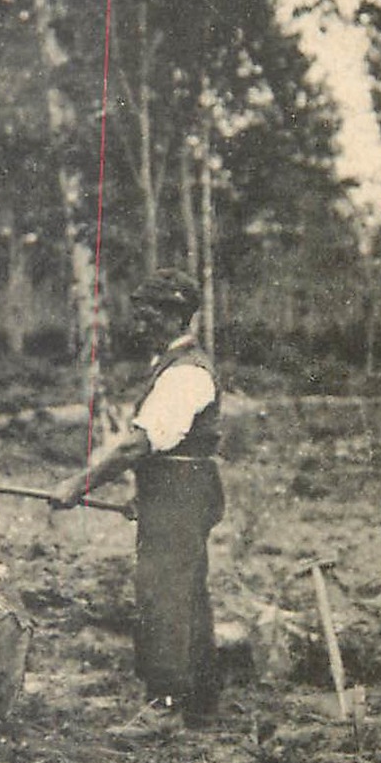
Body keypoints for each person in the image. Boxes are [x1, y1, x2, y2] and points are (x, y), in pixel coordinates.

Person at [48, 268, 224, 738]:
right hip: (177, 489)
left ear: (172, 316)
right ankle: (201, 703)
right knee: (187, 592)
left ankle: (166, 705)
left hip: (181, 493)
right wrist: (141, 495)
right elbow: (164, 448)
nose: (139, 325)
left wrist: (77, 485)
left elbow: (136, 446)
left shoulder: (185, 373)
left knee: (162, 594)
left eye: (147, 317)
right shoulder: (173, 364)